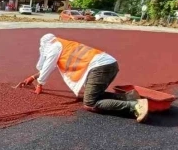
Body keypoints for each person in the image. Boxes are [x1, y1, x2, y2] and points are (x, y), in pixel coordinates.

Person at [19, 33, 149, 122]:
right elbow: (52, 66)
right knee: (94, 95)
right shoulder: (62, 44)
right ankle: (129, 97)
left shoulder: (53, 48)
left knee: (90, 103)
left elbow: (48, 66)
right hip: (109, 63)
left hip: (99, 67)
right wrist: (33, 77)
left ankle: (135, 106)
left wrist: (40, 84)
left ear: (45, 45)